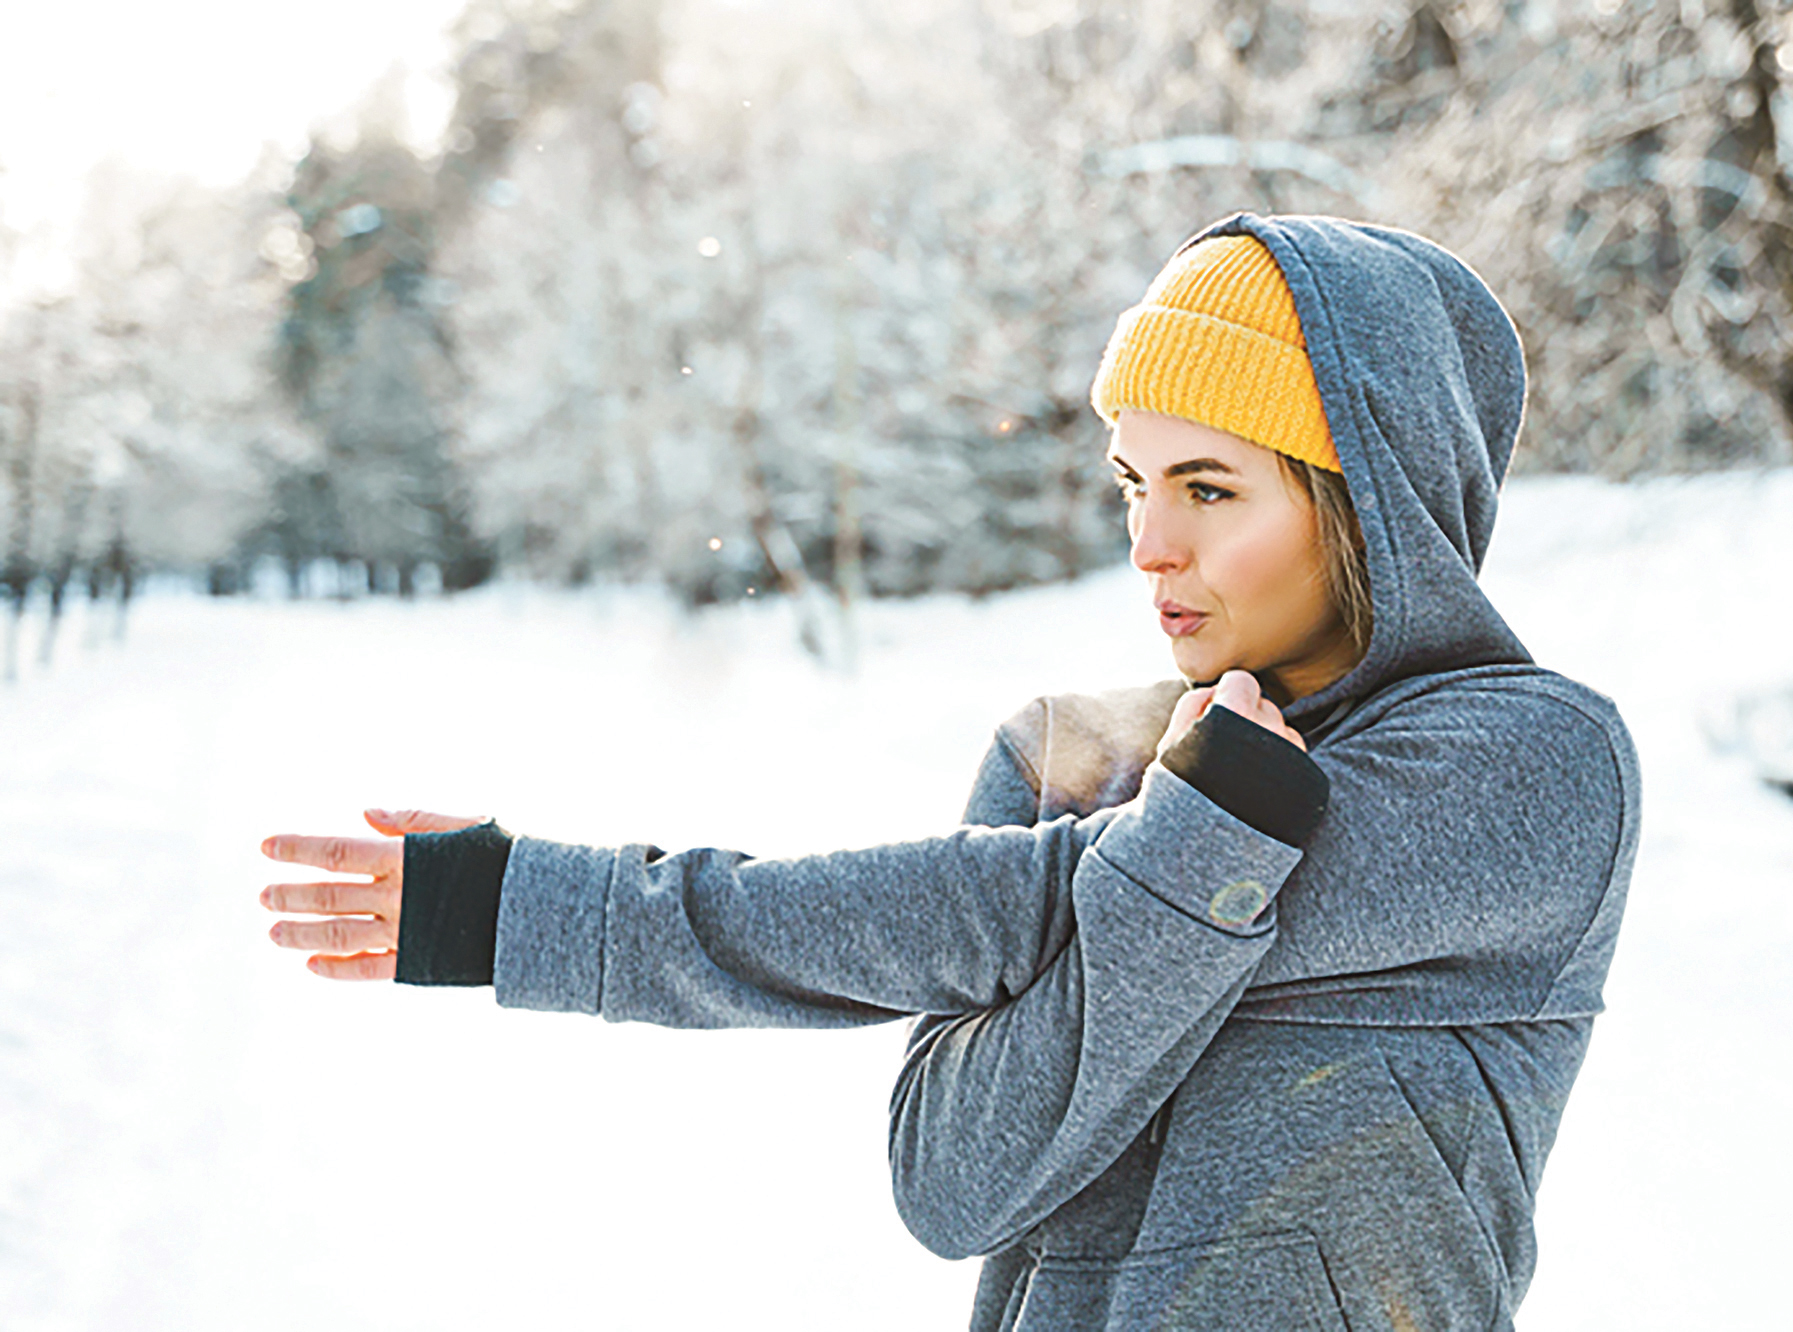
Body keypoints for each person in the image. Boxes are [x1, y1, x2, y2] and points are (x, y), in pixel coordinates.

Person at [260, 213, 1640, 1331]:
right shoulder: (1069, 755)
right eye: (1131, 481)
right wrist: (1193, 845)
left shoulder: (1532, 766)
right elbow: (950, 1186)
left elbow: (1003, 912)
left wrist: (549, 912)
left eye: (1209, 488)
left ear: (1373, 506)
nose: (1150, 543)